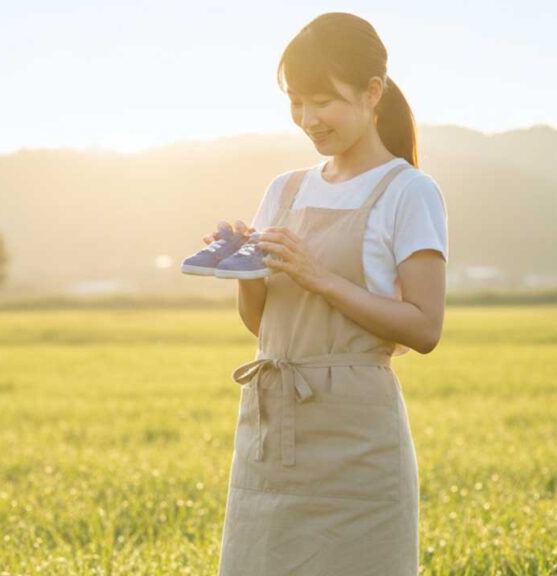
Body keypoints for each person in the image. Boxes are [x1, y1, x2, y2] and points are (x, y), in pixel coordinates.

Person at [211, 12, 448, 575]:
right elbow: (263, 325)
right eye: (296, 102)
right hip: (272, 429)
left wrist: (319, 276)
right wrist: (242, 265)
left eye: (323, 100)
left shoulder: (408, 191)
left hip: (357, 440)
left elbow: (424, 328)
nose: (308, 119)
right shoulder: (284, 189)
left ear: (372, 92)